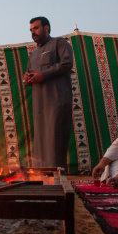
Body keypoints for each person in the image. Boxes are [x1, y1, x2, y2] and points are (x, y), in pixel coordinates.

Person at [23, 16, 74, 170]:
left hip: (57, 101)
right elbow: (29, 75)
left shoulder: (59, 43)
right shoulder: (33, 55)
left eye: (36, 28)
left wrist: (43, 74)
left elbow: (67, 63)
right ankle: (42, 174)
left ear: (46, 28)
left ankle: (57, 177)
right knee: (41, 140)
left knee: (55, 138)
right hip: (40, 105)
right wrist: (27, 78)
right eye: (31, 30)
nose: (33, 32)